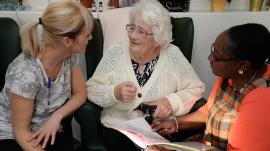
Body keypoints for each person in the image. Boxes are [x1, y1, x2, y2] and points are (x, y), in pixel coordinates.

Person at [86, 0, 204, 150]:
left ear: (157, 39)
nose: (133, 35)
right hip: (121, 129)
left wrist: (171, 102)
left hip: (160, 129)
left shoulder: (172, 55)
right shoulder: (115, 53)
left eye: (141, 31)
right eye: (132, 28)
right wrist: (114, 92)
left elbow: (196, 89)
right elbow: (91, 89)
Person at [151, 23, 270, 151]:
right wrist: (175, 123)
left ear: (243, 66)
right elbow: (209, 110)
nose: (209, 57)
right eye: (213, 49)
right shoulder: (228, 76)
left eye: (216, 56)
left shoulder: (263, 97)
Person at [0, 1, 93, 151]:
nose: (91, 38)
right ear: (67, 41)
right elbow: (21, 131)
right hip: (13, 135)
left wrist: (57, 116)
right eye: (87, 34)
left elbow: (80, 93)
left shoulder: (70, 56)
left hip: (50, 128)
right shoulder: (25, 72)